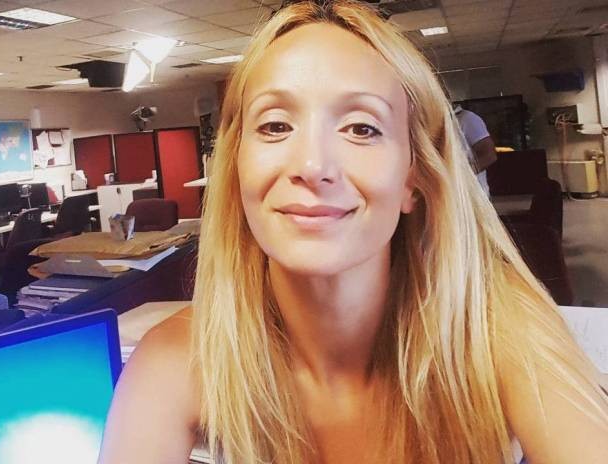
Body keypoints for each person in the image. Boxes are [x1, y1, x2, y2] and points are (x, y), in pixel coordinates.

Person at [98, 1, 608, 463]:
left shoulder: (499, 331)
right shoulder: (176, 359)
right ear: (235, 169)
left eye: (362, 128)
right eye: (275, 125)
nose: (312, 165)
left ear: (413, 178)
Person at [454, 104, 498, 196]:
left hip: (471, 195)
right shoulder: (431, 123)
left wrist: (458, 176)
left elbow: (489, 155)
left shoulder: (466, 119)